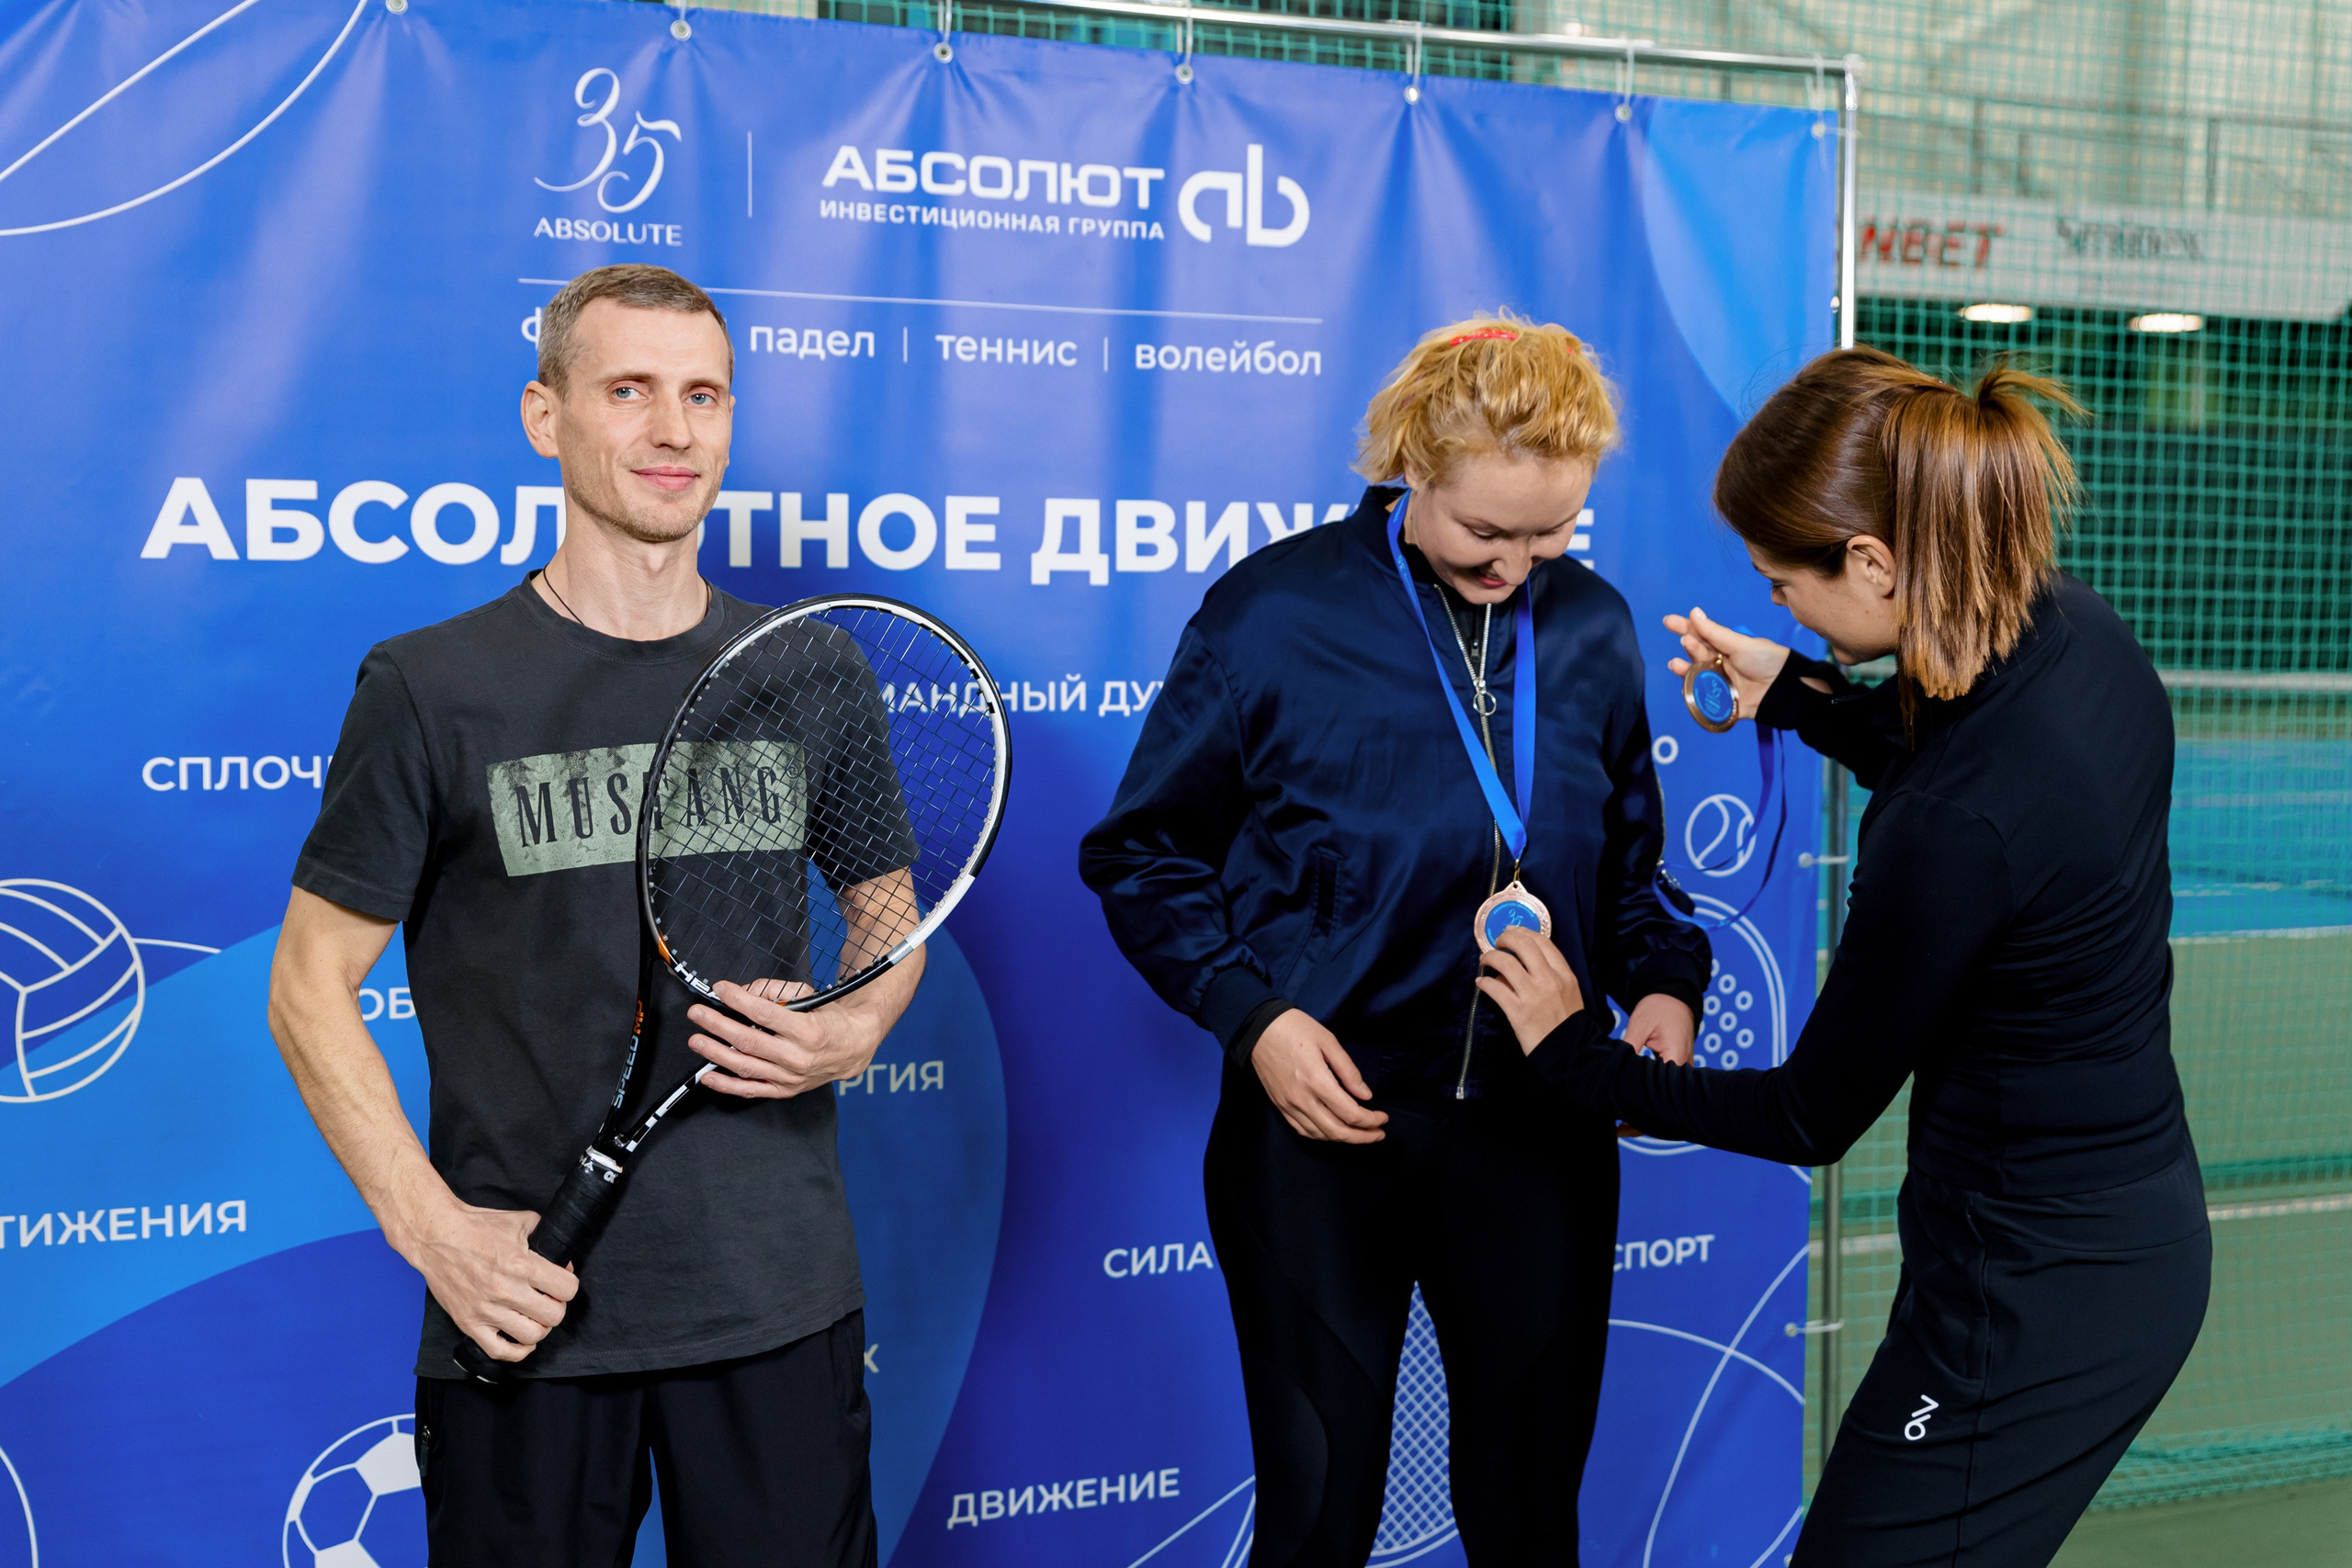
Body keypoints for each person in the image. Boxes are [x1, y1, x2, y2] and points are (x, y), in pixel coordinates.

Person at [1476, 348, 2210, 1567]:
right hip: (2105, 1245)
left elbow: (1808, 1113)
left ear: (1870, 562)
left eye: (1782, 587)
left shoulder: (1951, 827)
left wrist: (1571, 1054)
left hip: (2034, 1300)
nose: (1779, 611)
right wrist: (1799, 695)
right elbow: (1971, 759)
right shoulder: (2075, 631)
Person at [267, 263, 919, 1567]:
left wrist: (854, 1027)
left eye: (703, 396)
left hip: (776, 1299)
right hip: (527, 1313)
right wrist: (434, 1230)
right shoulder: (429, 687)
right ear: (544, 415)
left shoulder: (811, 668)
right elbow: (308, 984)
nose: (674, 432)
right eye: (628, 391)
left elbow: (887, 917)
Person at [1079, 316, 1710, 1565]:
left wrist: (1665, 994)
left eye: (1550, 535)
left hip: (1540, 1133)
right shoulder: (1271, 612)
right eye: (1487, 531)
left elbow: (1639, 878)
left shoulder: (1589, 626)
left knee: (1529, 1524)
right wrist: (1252, 1018)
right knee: (1319, 1519)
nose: (1516, 566)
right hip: (1323, 1137)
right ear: (1412, 465)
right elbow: (1140, 855)